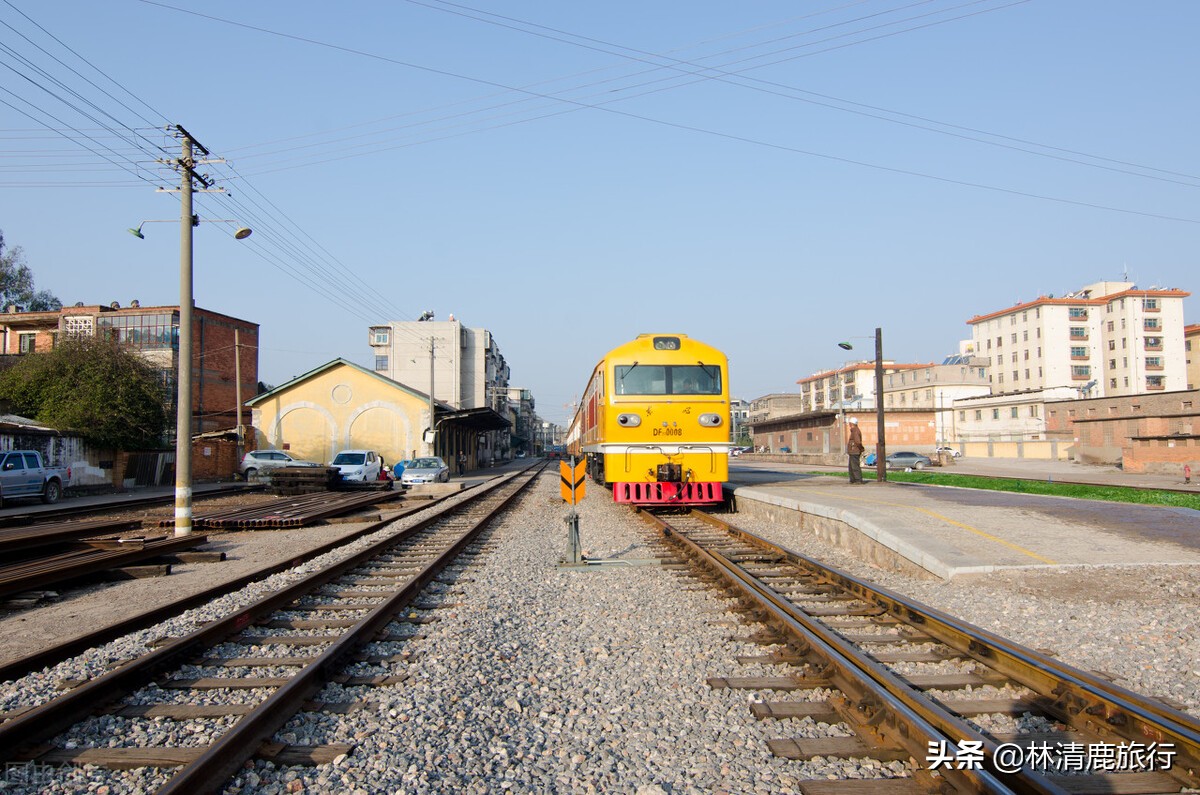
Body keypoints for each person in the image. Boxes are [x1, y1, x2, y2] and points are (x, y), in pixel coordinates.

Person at [846, 417, 865, 484]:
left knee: (855, 466)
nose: (849, 424)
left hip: (855, 451)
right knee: (851, 467)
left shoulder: (855, 431)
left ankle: (858, 480)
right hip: (853, 451)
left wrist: (861, 448)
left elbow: (858, 442)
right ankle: (853, 480)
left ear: (851, 423)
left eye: (849, 423)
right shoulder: (854, 430)